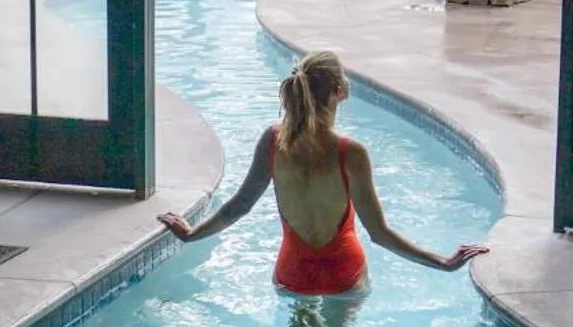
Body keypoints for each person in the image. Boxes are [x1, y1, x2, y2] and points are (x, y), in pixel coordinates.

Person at [158, 50, 488, 305]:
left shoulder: (273, 141)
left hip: (292, 275)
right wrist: (442, 263)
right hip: (344, 275)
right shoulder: (351, 153)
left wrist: (191, 235)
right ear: (339, 90)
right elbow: (379, 234)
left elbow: (239, 206)